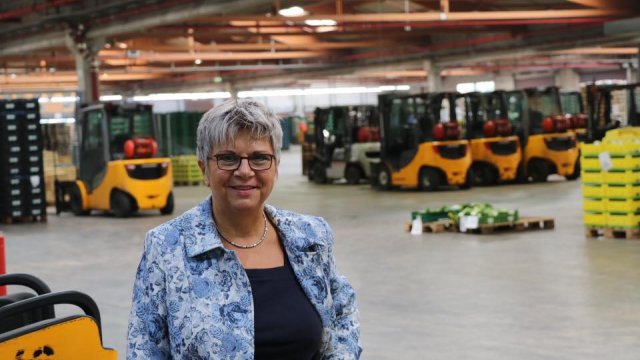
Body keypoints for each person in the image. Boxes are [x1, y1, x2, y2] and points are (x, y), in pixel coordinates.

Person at [127, 98, 361, 359]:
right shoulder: (167, 247)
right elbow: (145, 350)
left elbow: (343, 315)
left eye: (260, 158)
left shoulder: (311, 237)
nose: (245, 171)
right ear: (204, 168)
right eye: (228, 158)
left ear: (275, 168)